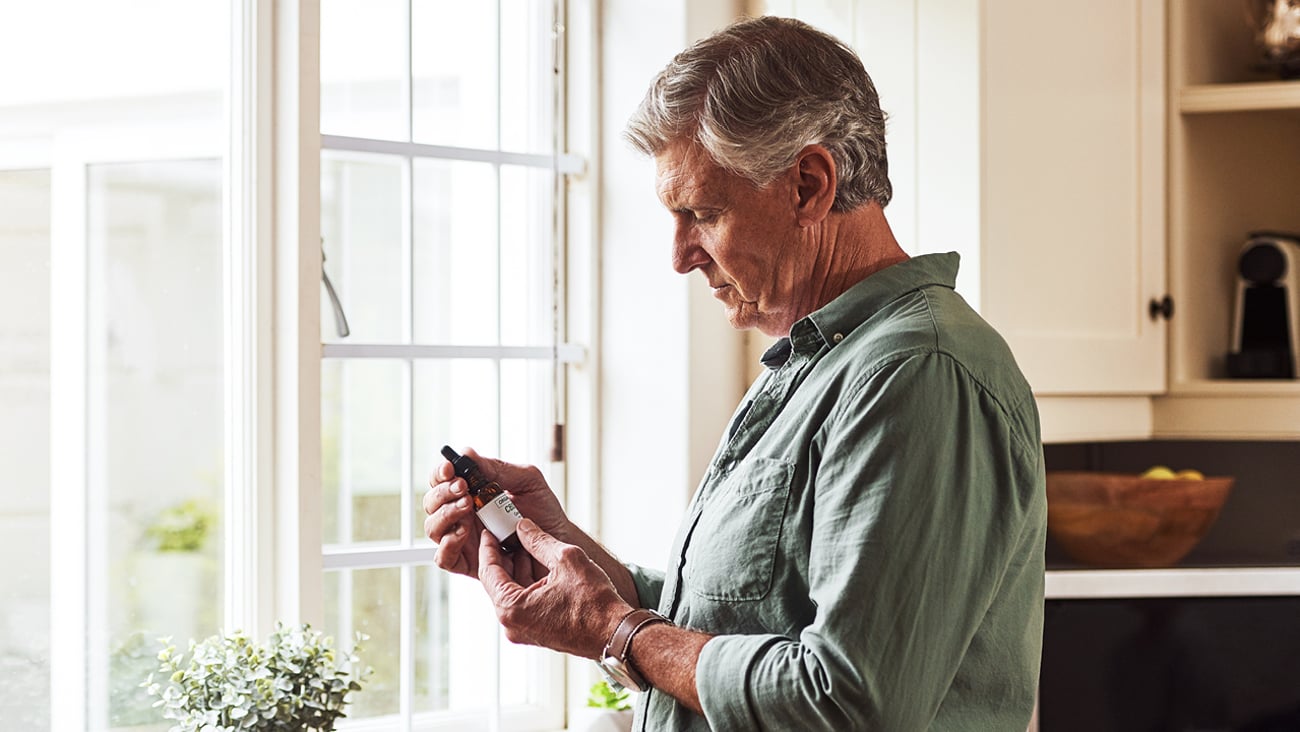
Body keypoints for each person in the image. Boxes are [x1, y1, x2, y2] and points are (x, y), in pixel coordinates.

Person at [424, 15, 1046, 731]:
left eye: (703, 213)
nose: (680, 255)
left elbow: (848, 701)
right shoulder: (820, 362)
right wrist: (565, 554)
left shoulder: (917, 374)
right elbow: (732, 625)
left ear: (809, 184)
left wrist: (617, 631)